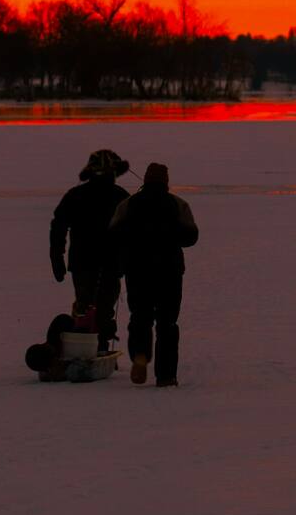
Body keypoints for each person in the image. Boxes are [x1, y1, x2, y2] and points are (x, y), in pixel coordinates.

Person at [108, 161, 198, 386]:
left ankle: (140, 357)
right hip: (170, 271)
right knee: (168, 322)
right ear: (165, 181)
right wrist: (170, 233)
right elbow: (191, 237)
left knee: (140, 317)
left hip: (137, 270)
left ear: (146, 180)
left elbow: (114, 234)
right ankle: (166, 375)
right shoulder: (178, 204)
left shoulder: (129, 204)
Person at [50, 149, 130, 353]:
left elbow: (58, 226)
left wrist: (57, 257)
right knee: (97, 308)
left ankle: (94, 348)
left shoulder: (79, 195)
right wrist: (56, 258)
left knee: (91, 308)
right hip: (94, 263)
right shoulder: (120, 196)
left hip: (97, 263)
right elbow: (59, 225)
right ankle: (92, 348)